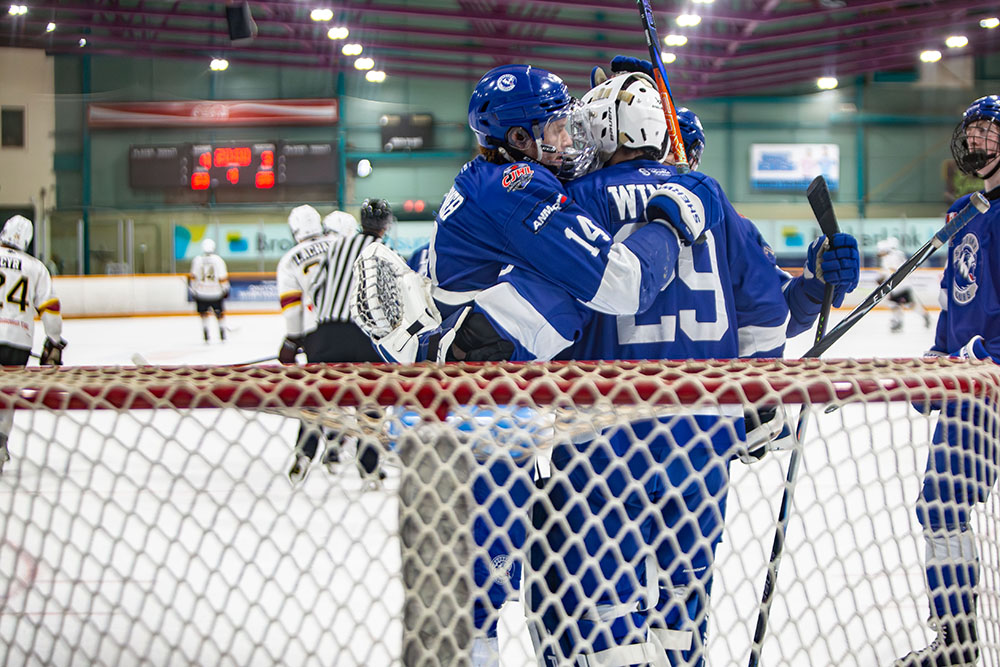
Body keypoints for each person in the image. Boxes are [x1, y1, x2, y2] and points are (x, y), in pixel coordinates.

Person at [895, 94, 1000, 667]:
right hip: (970, 388)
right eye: (974, 130)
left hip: (990, 381)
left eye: (991, 132)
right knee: (942, 507)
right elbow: (959, 305)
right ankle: (956, 643)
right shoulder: (968, 214)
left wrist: (976, 357)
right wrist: (936, 360)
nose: (978, 140)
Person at [277, 202, 389, 485]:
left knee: (317, 398)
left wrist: (294, 340)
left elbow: (310, 295)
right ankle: (369, 468)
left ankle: (305, 454)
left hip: (322, 334)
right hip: (363, 333)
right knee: (368, 399)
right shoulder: (364, 248)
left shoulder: (293, 258)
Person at [0, 215, 66, 474]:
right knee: (6, 395)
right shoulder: (36, 268)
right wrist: (54, 340)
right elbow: (50, 308)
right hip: (19, 340)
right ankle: (0, 442)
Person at [877, 236, 931, 333]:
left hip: (899, 286)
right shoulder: (895, 255)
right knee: (894, 304)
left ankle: (923, 316)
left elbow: (894, 271)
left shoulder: (891, 257)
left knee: (908, 305)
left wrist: (883, 278)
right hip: (897, 286)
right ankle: (898, 321)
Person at [188, 238, 230, 342]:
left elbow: (193, 277)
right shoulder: (218, 260)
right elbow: (222, 278)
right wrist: (225, 289)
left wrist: (193, 289)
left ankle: (206, 332)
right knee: (220, 313)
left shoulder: (197, 260)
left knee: (204, 313)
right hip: (216, 292)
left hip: (201, 292)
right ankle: (222, 332)